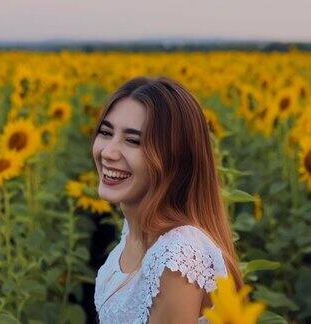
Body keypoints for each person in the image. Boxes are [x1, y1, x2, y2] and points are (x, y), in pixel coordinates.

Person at [91, 76, 243, 323]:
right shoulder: (135, 229)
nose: (108, 152)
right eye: (106, 132)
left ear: (173, 158)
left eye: (133, 140)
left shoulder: (178, 256)